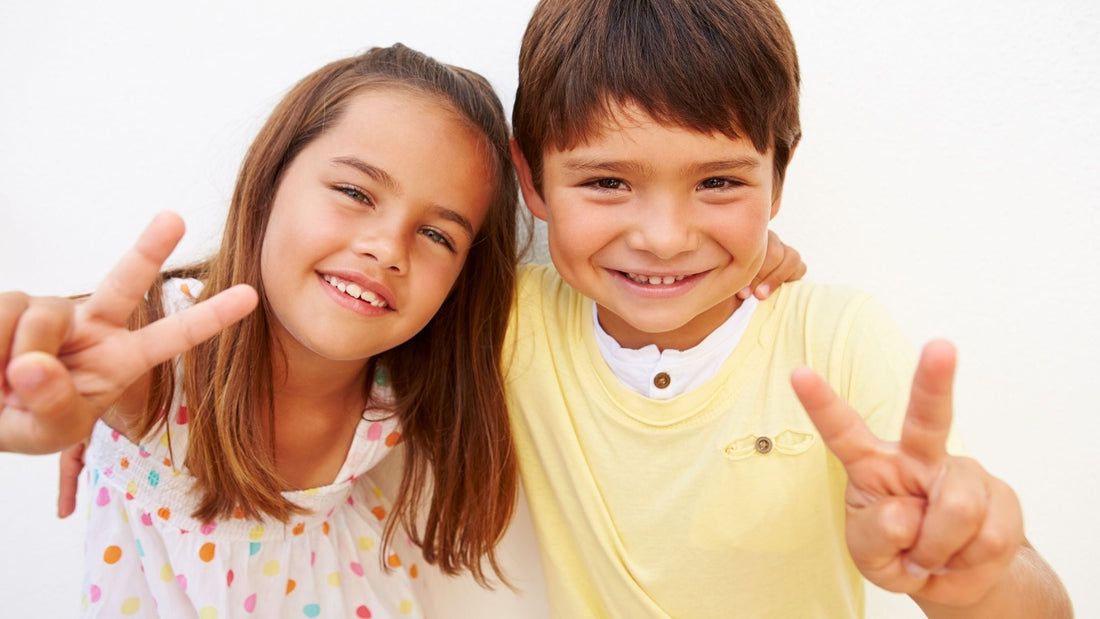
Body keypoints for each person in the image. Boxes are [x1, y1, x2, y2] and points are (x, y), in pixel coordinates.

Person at [503, 0, 1072, 617]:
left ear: (778, 177)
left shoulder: (837, 338)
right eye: (607, 183)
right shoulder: (505, 323)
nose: (664, 239)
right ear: (531, 179)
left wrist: (964, 570)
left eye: (717, 182)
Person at [0, 43, 523, 618]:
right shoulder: (159, 351)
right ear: (271, 180)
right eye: (355, 193)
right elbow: (53, 348)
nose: (388, 248)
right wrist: (37, 382)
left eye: (438, 235)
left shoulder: (398, 391)